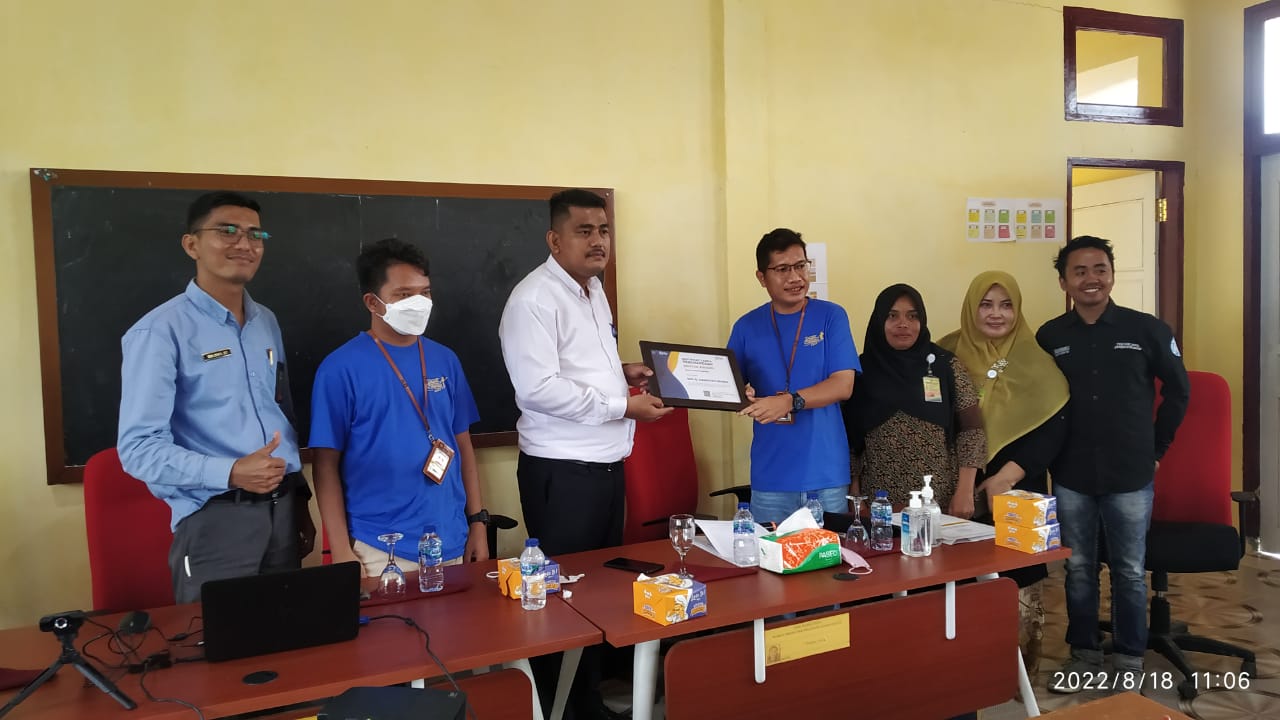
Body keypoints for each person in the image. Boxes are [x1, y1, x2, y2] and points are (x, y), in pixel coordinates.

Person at [499, 188, 669, 720]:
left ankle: (589, 700)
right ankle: (563, 709)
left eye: (604, 230)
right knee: (564, 596)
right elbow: (538, 389)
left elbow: (577, 367)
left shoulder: (592, 289)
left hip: (605, 466)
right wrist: (623, 404)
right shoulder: (533, 299)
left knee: (596, 591)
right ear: (555, 239)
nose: (599, 241)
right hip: (562, 472)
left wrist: (622, 371)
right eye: (584, 231)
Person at [118, 191, 314, 605]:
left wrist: (299, 497)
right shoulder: (160, 331)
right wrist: (231, 472)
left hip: (281, 510)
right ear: (192, 244)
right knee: (218, 639)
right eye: (227, 231)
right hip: (216, 517)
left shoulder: (266, 322)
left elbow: (279, 414)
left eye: (255, 234)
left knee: (285, 635)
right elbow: (138, 449)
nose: (244, 244)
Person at [1037, 235, 1189, 692]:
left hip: (1130, 472)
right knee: (1079, 568)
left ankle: (1128, 659)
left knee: (1128, 570)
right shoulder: (1050, 337)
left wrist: (1157, 449)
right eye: (1079, 271)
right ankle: (1084, 654)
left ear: (1112, 275)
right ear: (1063, 281)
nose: (1091, 278)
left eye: (1100, 269)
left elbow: (1178, 391)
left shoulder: (1147, 330)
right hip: (1072, 473)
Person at [310, 239, 487, 578]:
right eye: (404, 295)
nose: (418, 303)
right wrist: (341, 550)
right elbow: (325, 464)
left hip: (452, 540)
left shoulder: (445, 360)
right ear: (372, 302)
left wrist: (477, 521)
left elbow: (463, 444)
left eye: (425, 292)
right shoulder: (339, 369)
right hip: (379, 548)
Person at [938, 270, 1069, 673]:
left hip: (1017, 486)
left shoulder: (1037, 361)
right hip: (957, 487)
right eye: (986, 304)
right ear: (971, 308)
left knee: (1019, 576)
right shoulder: (943, 354)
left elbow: (1054, 427)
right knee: (960, 574)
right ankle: (965, 665)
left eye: (1006, 305)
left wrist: (1006, 476)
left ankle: (1017, 669)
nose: (996, 314)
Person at [727, 228, 858, 525]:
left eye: (801, 266)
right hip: (771, 477)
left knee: (829, 553)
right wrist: (742, 395)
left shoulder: (831, 316)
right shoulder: (746, 326)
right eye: (783, 269)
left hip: (825, 475)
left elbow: (844, 384)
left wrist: (790, 401)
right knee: (769, 553)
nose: (795, 277)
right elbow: (730, 388)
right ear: (762, 277)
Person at [845, 284, 985, 516]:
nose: (903, 324)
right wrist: (855, 494)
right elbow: (850, 439)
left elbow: (972, 430)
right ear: (879, 321)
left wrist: (965, 490)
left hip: (941, 502)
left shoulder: (946, 365)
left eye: (913, 316)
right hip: (880, 505)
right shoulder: (860, 371)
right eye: (892, 316)